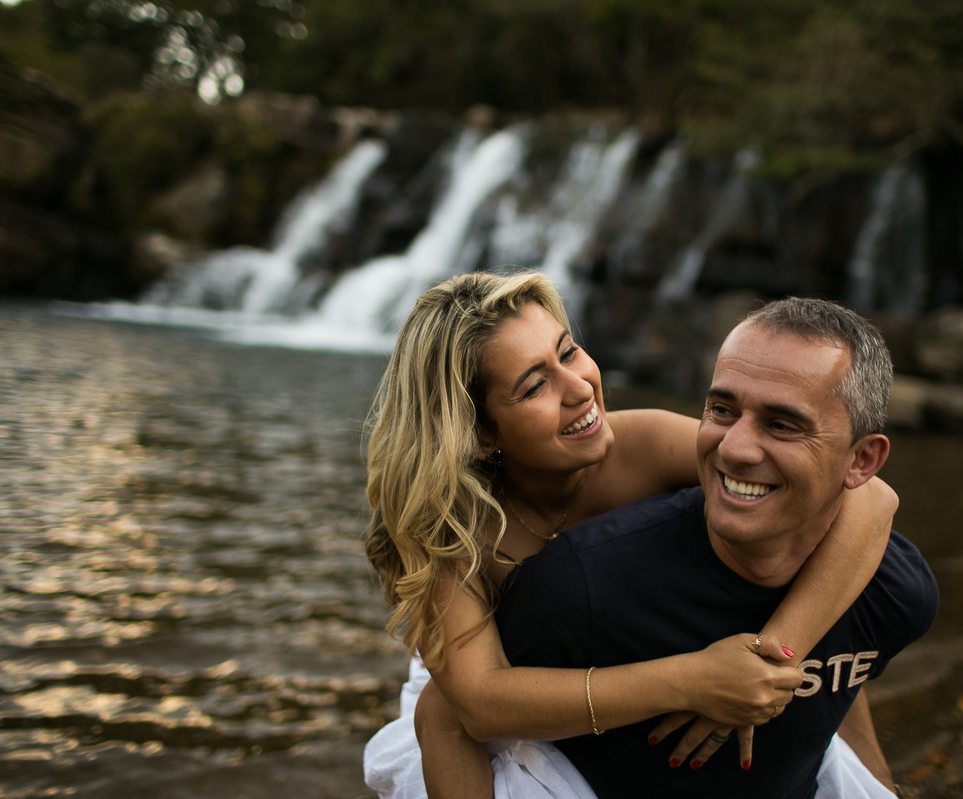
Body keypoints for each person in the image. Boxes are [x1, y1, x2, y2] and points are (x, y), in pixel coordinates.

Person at [362, 272, 900, 798]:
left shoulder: (645, 444)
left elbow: (870, 497)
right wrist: (692, 680)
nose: (580, 388)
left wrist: (771, 655)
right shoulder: (442, 520)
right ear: (480, 433)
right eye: (535, 386)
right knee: (441, 711)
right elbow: (480, 702)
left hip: (644, 646)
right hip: (509, 677)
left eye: (569, 352)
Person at [495, 296, 939, 798]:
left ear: (862, 461)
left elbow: (842, 679)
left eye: (782, 425)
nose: (734, 448)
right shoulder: (573, 588)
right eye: (722, 410)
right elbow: (464, 714)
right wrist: (687, 681)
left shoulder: (896, 591)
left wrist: (777, 661)